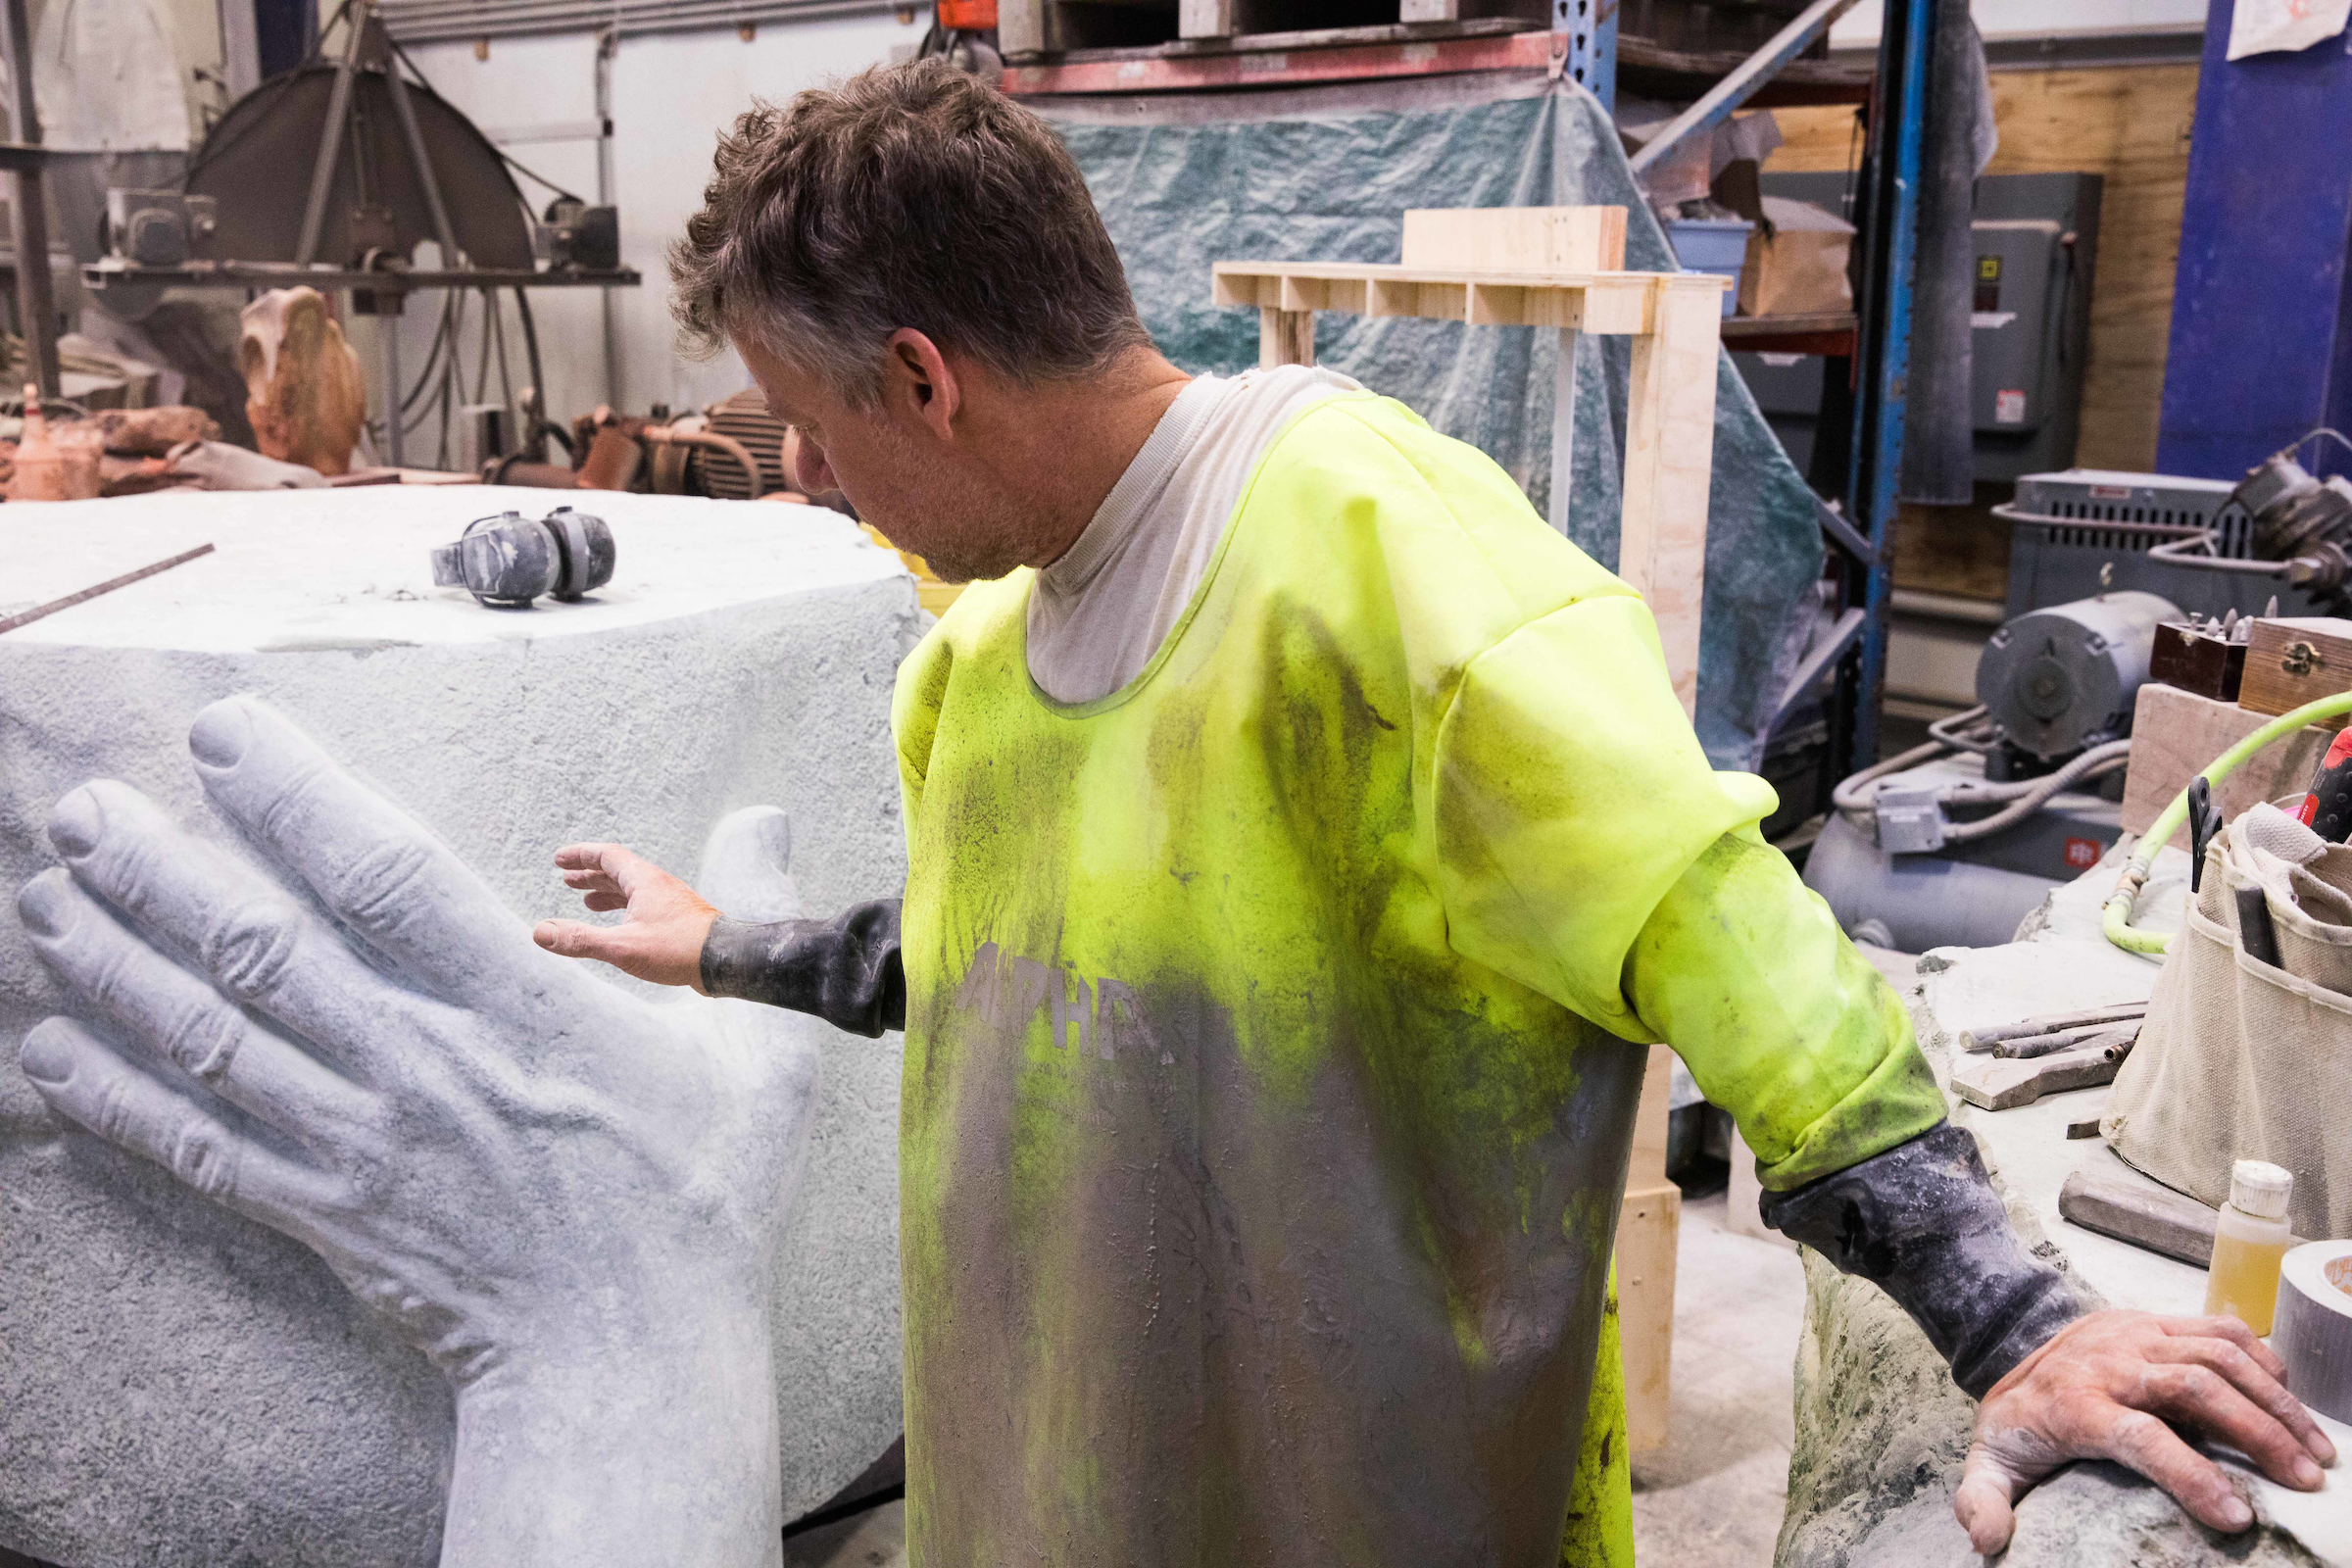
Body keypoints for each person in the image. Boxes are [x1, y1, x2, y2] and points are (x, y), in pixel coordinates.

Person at [522, 58, 2334, 1566]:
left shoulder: (1385, 564)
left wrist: (2021, 1323)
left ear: (925, 373)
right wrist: (723, 947)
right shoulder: (974, 656)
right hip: (1046, 1490)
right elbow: (989, 970)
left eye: (809, 428)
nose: (812, 482)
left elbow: (1734, 943)